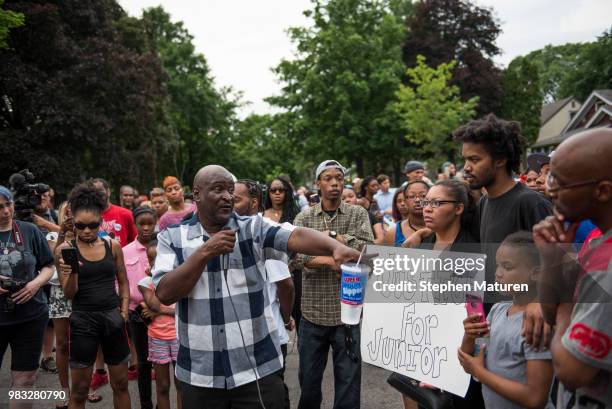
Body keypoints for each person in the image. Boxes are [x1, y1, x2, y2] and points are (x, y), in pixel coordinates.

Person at [151, 164, 362, 408]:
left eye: (230, 190)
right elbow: (165, 293)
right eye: (218, 189)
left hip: (257, 370)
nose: (227, 196)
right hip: (201, 374)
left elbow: (294, 235)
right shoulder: (172, 237)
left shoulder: (253, 227)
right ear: (196, 194)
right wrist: (205, 252)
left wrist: (334, 247)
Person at [454, 114, 553, 348]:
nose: (466, 168)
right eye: (465, 160)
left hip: (526, 332)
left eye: (475, 159)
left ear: (500, 159)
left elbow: (559, 258)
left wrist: (540, 302)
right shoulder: (485, 203)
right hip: (496, 322)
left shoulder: (531, 203)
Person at [533, 128, 612, 408]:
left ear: (602, 191)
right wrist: (553, 262)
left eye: (561, 182)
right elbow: (551, 315)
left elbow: (570, 371)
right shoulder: (595, 241)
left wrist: (564, 297)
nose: (549, 188)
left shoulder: (607, 266)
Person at [293, 160, 374, 409]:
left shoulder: (357, 213)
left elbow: (366, 249)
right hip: (312, 315)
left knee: (349, 386)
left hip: (348, 316)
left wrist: (333, 238)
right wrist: (333, 261)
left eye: (339, 178)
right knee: (308, 386)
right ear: (317, 184)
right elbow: (298, 257)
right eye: (327, 178)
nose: (335, 183)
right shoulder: (304, 217)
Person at [458, 232, 555, 409]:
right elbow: (470, 362)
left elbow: (535, 398)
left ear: (535, 273)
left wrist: (479, 371)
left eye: (507, 267)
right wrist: (469, 336)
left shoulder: (537, 323)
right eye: (497, 266)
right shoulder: (497, 310)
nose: (497, 274)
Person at [56, 183, 131, 409]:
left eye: (93, 225)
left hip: (112, 318)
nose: (87, 231)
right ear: (73, 222)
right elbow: (69, 294)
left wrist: (124, 311)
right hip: (83, 321)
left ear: (101, 220)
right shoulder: (65, 250)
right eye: (81, 226)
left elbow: (124, 281)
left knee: (121, 384)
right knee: (79, 391)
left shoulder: (113, 245)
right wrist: (71, 273)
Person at [234, 178, 295, 409]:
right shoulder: (227, 234)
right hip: (239, 335)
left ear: (253, 203)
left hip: (269, 333)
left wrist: (286, 317)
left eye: (236, 200)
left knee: (273, 393)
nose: (229, 204)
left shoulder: (266, 234)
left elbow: (286, 285)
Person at [0, 186, 55, 409]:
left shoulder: (29, 230)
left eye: (8, 204)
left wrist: (35, 284)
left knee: (25, 379)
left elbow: (48, 265)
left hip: (31, 316)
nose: (5, 211)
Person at [138, 241, 182, 409]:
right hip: (157, 339)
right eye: (151, 259)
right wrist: (155, 278)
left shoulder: (179, 282)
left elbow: (182, 311)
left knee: (181, 385)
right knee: (162, 386)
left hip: (178, 336)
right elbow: (154, 304)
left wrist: (158, 312)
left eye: (159, 259)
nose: (155, 263)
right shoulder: (145, 282)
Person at [123, 207, 158, 409]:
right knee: (143, 362)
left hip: (162, 311)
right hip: (138, 313)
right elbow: (120, 283)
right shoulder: (126, 251)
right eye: (141, 224)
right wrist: (131, 305)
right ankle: (146, 404)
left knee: (168, 360)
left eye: (149, 223)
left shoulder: (163, 247)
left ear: (155, 223)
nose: (145, 228)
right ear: (134, 224)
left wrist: (156, 304)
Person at [48, 202, 74, 409]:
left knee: (86, 341)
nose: (71, 215)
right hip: (59, 293)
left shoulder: (89, 233)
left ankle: (86, 385)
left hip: (83, 292)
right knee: (63, 344)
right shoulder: (52, 237)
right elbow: (55, 258)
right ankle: (64, 389)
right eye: (68, 211)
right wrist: (62, 233)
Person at [92, 178, 137, 246]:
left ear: (108, 192)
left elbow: (135, 242)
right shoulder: (87, 217)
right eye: (93, 191)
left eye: (100, 190)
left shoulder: (126, 214)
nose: (97, 194)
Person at [383, 181, 429, 246]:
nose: (418, 200)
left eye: (423, 196)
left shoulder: (443, 227)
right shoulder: (393, 233)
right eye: (412, 196)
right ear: (405, 201)